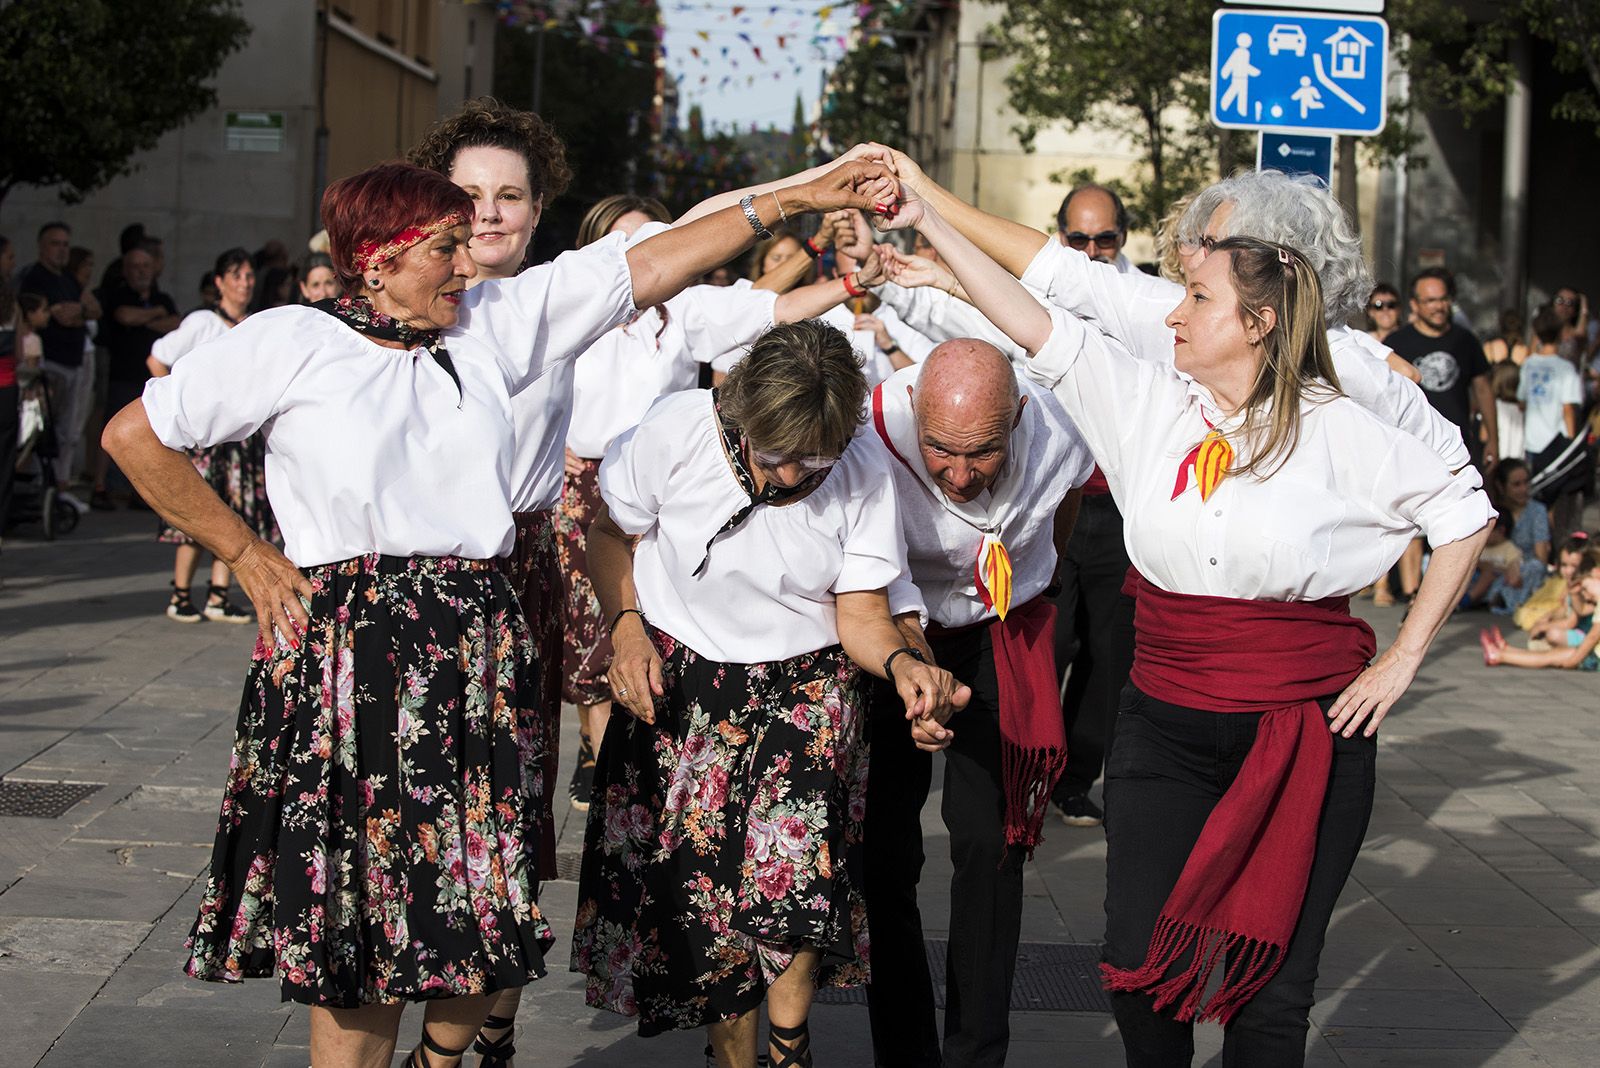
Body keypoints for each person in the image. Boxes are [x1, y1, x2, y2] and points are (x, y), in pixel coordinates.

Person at [103, 157, 892, 1068]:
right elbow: (135, 435)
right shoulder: (290, 341)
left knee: (484, 910)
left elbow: (653, 263)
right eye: (442, 248)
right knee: (361, 931)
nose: (465, 265)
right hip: (351, 660)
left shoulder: (489, 327)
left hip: (475, 645)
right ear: (376, 262)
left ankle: (443, 1060)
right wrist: (245, 553)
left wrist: (804, 195)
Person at [888, 181, 1494, 1065]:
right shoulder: (1144, 402)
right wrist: (930, 219)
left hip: (1300, 734)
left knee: (1271, 999)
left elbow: (1463, 511)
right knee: (1137, 970)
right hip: (1163, 727)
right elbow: (1030, 314)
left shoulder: (1339, 426)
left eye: (1197, 298)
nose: (1171, 316)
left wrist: (1403, 658)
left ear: (1258, 323)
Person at [404, 99, 895, 1067]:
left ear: (542, 208)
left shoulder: (554, 294)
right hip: (427, 593)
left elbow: (686, 238)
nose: (491, 214)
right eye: (470, 196)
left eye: (511, 196)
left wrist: (805, 195)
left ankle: (484, 1026)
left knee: (508, 829)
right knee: (441, 834)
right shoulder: (392, 309)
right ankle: (455, 1032)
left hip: (541, 558)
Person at [572, 319, 969, 1068]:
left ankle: (789, 1048)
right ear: (740, 413)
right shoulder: (676, 433)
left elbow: (860, 614)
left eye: (811, 461)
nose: (790, 478)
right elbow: (607, 534)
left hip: (805, 689)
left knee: (787, 883)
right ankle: (737, 1055)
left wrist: (904, 666)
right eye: (775, 455)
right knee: (706, 904)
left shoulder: (864, 472)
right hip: (683, 683)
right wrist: (625, 628)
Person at [560, 193, 891, 819]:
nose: (638, 259)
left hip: (682, 464)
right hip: (599, 481)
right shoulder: (571, 311)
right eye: (620, 246)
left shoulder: (686, 311)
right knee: (593, 641)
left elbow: (777, 307)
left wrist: (846, 275)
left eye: (655, 243)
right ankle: (593, 742)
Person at [863, 340, 1094, 1068]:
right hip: (892, 632)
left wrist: (1036, 586)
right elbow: (860, 570)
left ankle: (976, 1054)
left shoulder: (1060, 428)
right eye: (940, 450)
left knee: (990, 845)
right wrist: (911, 662)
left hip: (995, 631)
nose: (959, 475)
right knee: (885, 855)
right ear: (913, 411)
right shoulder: (868, 435)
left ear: (1020, 416)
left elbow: (1072, 497)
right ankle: (905, 1051)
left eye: (983, 454)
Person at [145, 248, 272, 625]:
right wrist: (176, 405)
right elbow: (157, 357)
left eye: (249, 277)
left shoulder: (255, 324)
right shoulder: (203, 321)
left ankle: (219, 595)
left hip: (239, 438)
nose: (244, 284)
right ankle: (180, 593)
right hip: (204, 438)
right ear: (219, 282)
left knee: (233, 513)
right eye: (236, 276)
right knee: (196, 511)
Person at [92, 244, 180, 508]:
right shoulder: (118, 295)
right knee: (110, 429)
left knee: (151, 434)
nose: (141, 272)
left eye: (145, 267)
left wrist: (144, 319)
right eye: (135, 267)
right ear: (126, 271)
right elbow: (124, 316)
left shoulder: (163, 297)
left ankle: (141, 493)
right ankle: (100, 486)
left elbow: (175, 322)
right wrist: (154, 316)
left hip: (152, 377)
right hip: (122, 373)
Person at [22, 222, 101, 510]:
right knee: (42, 430)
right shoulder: (35, 278)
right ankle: (40, 485)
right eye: (55, 243)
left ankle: (61, 487)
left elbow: (92, 310)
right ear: (42, 246)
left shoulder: (69, 280)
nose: (61, 250)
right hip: (49, 364)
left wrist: (76, 312)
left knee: (69, 430)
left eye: (66, 244)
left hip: (74, 362)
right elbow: (59, 315)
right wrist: (74, 313)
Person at [1385, 267, 1497, 469]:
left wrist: (1493, 441)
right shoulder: (1396, 344)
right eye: (1430, 301)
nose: (1439, 306)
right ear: (1415, 305)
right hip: (1413, 449)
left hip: (1458, 450)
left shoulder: (1465, 340)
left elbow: (1483, 389)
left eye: (1443, 299)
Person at [1522, 306, 1588, 537]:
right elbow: (1568, 407)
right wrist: (1572, 444)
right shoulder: (1566, 368)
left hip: (1531, 441)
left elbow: (1522, 401)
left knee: (1536, 497)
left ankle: (1541, 543)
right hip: (1558, 444)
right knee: (1556, 502)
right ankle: (1549, 547)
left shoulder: (1528, 363)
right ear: (1561, 333)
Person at [1483, 548, 1600, 670]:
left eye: (1585, 588)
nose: (1586, 595)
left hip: (1596, 658)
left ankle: (1500, 655)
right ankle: (1504, 652)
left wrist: (1573, 660)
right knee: (1552, 655)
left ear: (1598, 574)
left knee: (1552, 656)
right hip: (1595, 653)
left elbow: (1592, 637)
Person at [1478, 459, 1551, 616]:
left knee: (1536, 568)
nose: (1523, 489)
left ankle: (1498, 597)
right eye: (1516, 484)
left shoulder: (1537, 511)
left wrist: (1515, 567)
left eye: (1526, 483)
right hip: (1492, 566)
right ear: (1501, 486)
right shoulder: (1490, 510)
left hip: (1523, 571)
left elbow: (1541, 558)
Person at [1056, 183, 1134, 271]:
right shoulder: (1046, 283)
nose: (1092, 253)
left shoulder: (1145, 284)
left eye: (1105, 239)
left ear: (1123, 237)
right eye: (1079, 240)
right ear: (1063, 239)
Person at [1491, 362, 1524, 464]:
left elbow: (1483, 436)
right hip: (1520, 460)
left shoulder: (1493, 407)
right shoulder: (1525, 410)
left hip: (1497, 461)